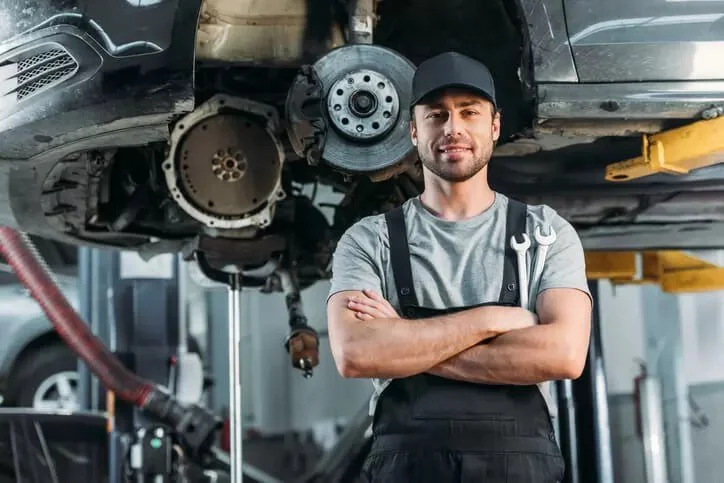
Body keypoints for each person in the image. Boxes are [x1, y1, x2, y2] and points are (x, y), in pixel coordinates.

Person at [326, 51, 593, 482]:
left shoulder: (546, 232)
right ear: (413, 130)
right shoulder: (368, 240)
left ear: (494, 126)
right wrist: (493, 320)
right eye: (436, 115)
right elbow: (357, 353)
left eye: (469, 112)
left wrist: (405, 341)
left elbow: (563, 355)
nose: (453, 128)